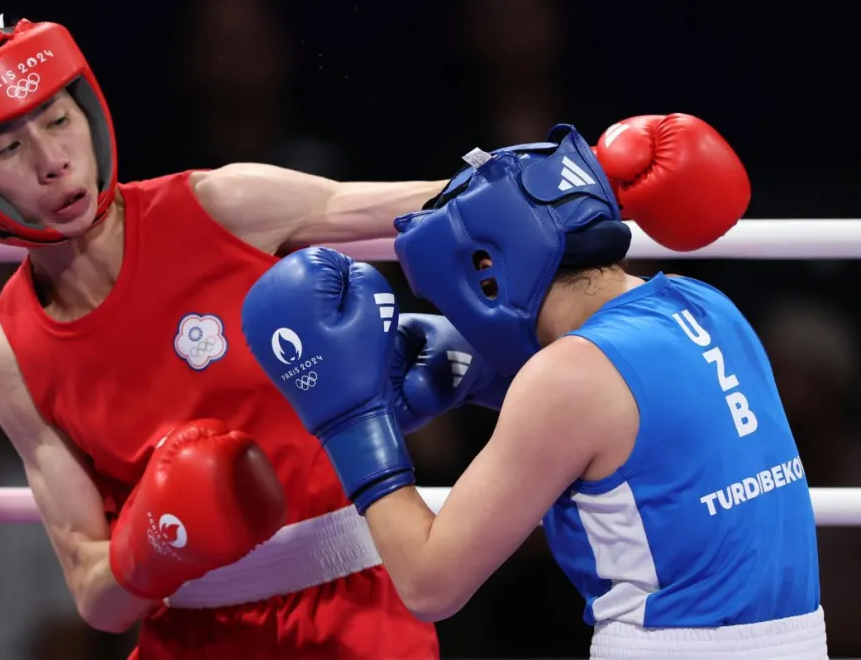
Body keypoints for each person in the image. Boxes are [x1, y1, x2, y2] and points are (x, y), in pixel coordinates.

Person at [0, 15, 454, 660]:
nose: (52, 162)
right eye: (8, 149)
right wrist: (155, 543)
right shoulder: (7, 350)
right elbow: (95, 596)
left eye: (57, 121)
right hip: (189, 637)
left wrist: (573, 183)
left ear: (90, 116)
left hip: (357, 611)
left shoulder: (223, 205)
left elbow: (441, 204)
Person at [240, 122, 829, 658]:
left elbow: (428, 583)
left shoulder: (568, 378)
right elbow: (636, 430)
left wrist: (352, 420)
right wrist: (477, 375)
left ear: (485, 271)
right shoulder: (703, 303)